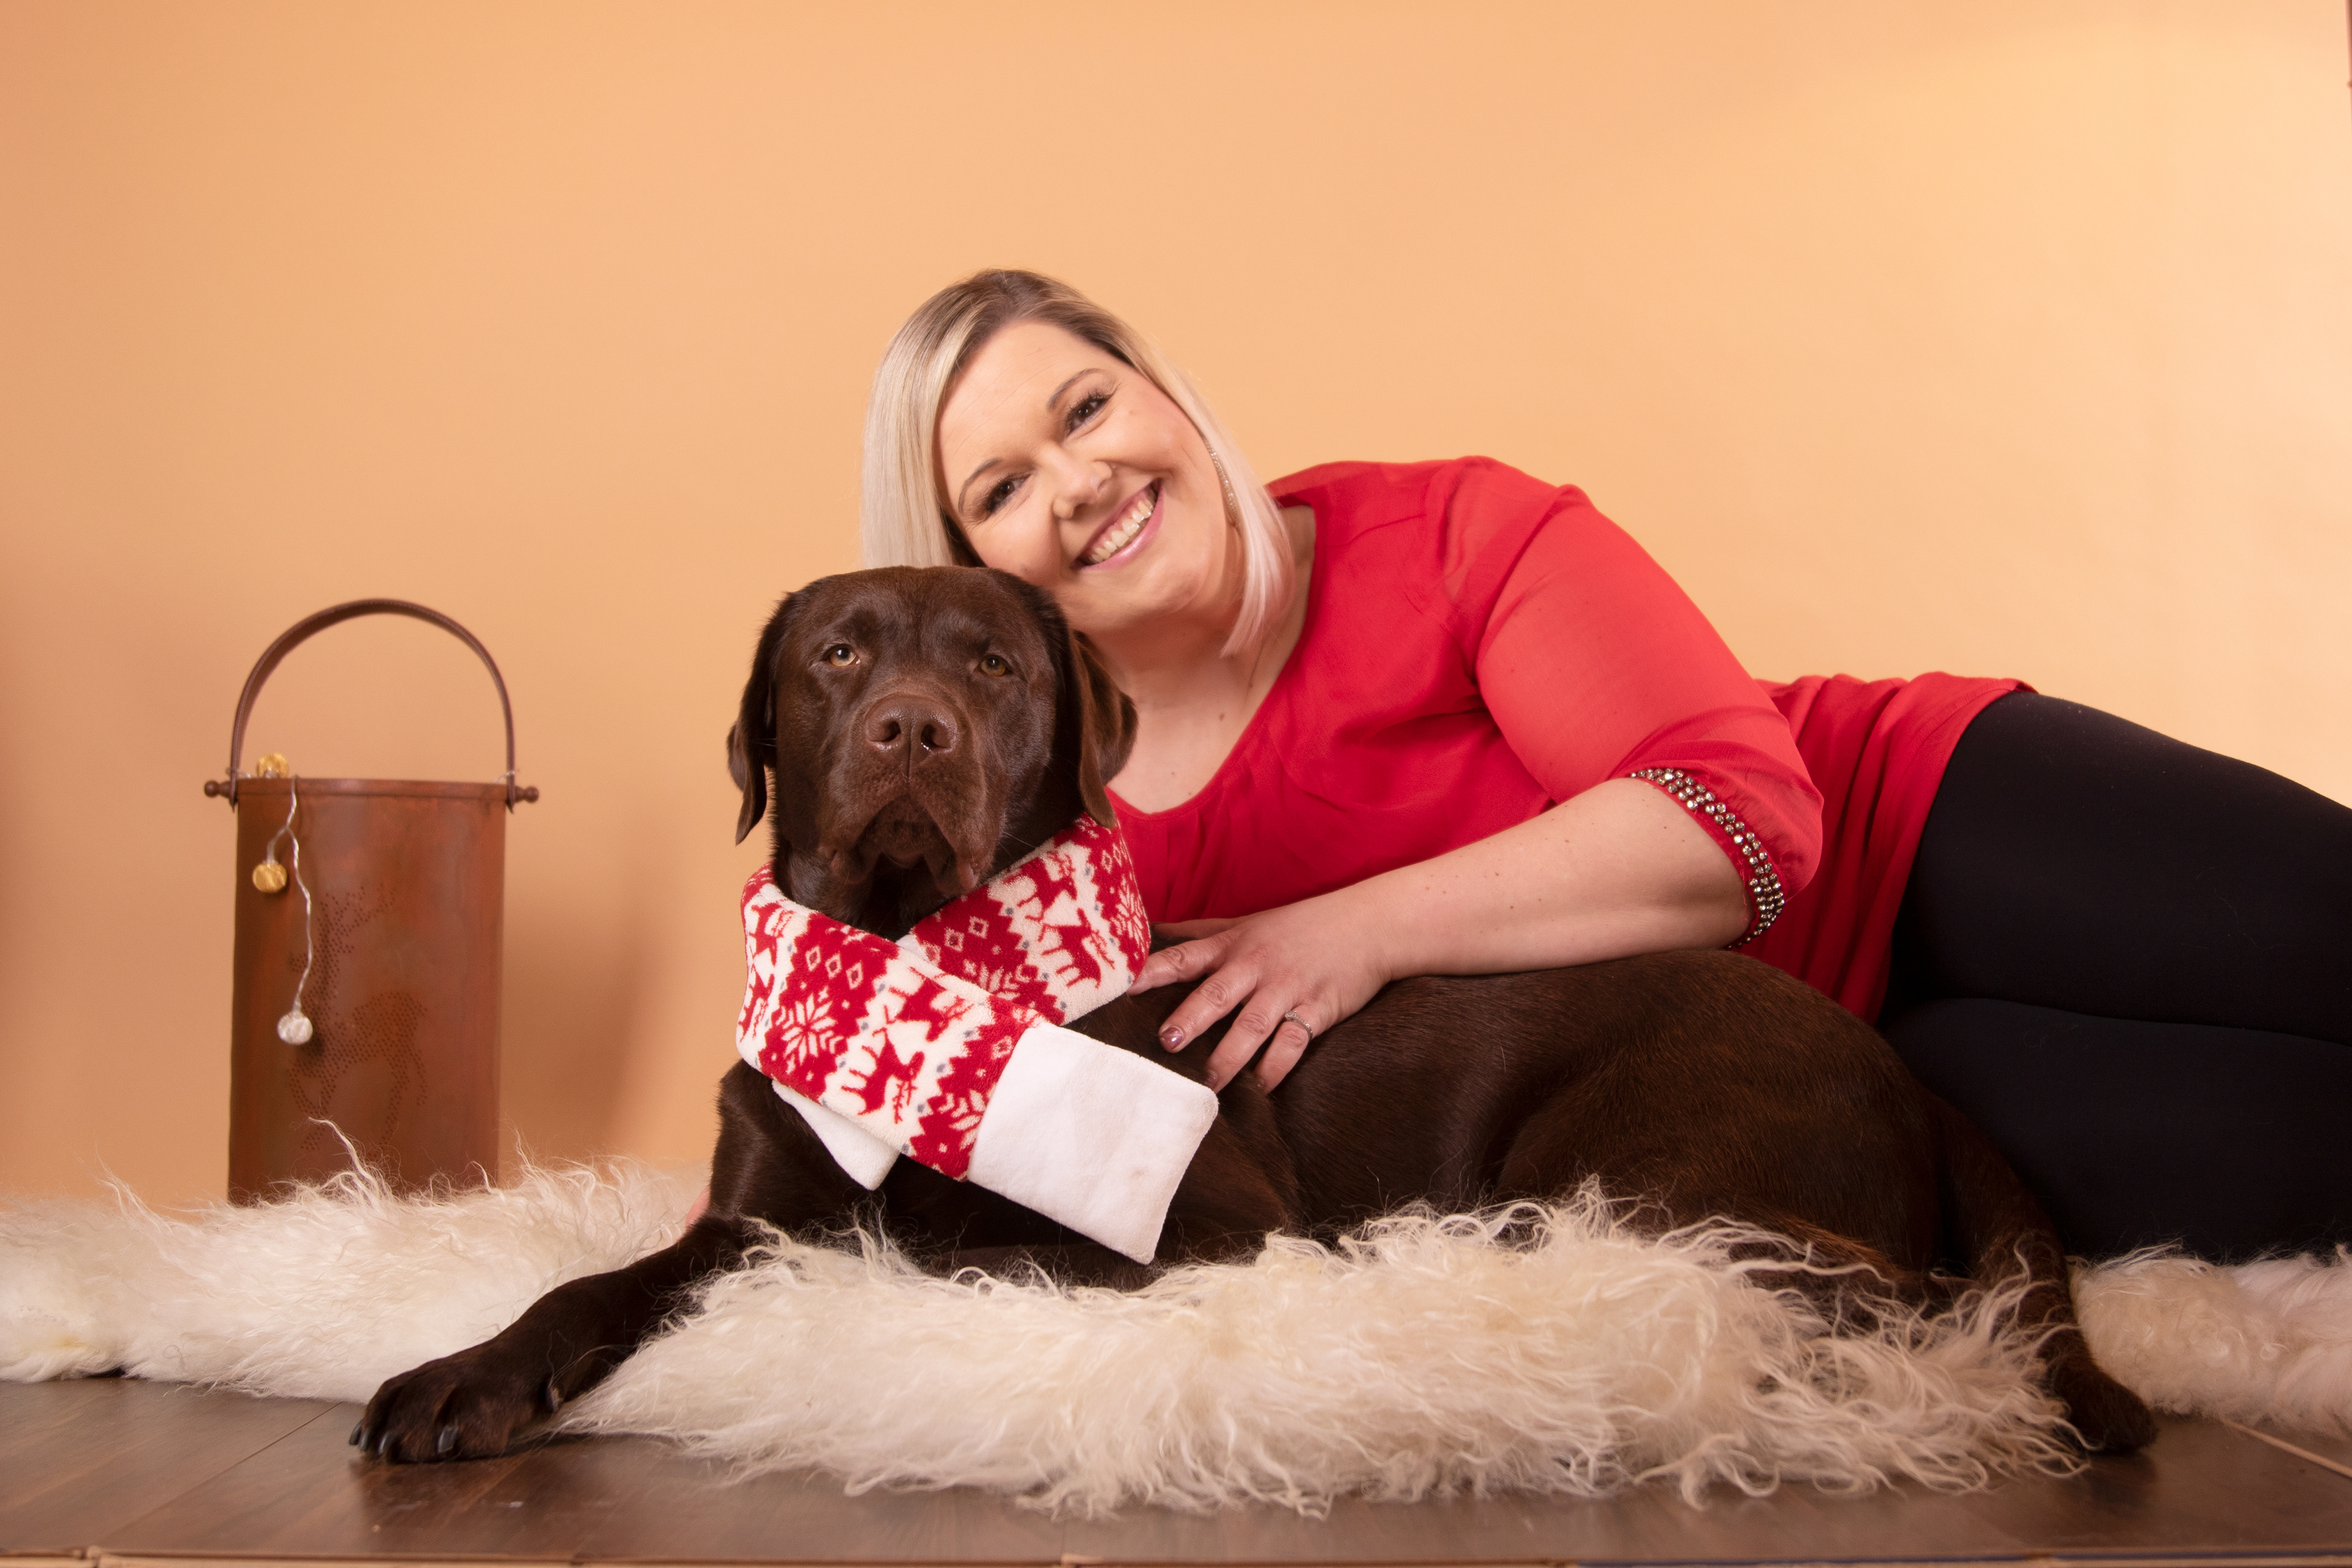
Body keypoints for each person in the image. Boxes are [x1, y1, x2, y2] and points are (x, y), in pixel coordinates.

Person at [856, 268, 2352, 1263]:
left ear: (1160, 392)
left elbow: (1743, 826)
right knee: (2303, 1141)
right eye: (1002, 487)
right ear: (973, 567)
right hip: (1818, 1078)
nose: (1081, 482)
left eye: (1088, 408)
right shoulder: (1061, 843)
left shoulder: (1436, 533)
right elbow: (872, 1003)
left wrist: (1353, 927)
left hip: (1907, 819)